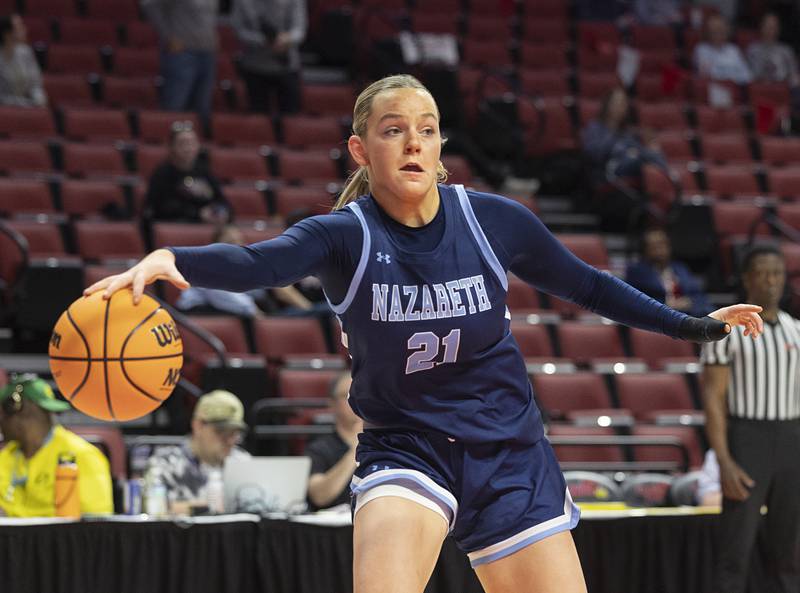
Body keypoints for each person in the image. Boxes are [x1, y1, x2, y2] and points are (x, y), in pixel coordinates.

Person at [86, 74, 763, 593]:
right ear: (361, 147)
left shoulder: (492, 220)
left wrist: (693, 325)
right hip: (408, 446)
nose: (413, 141)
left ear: (440, 148)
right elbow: (259, 261)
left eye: (427, 128)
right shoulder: (342, 236)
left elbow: (587, 284)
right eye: (392, 129)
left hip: (508, 451)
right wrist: (175, 261)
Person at [701, 244, 800, 593]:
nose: (770, 280)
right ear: (747, 279)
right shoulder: (725, 331)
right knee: (735, 551)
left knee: (790, 553)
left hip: (792, 439)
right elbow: (713, 397)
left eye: (777, 273)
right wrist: (724, 461)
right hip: (747, 438)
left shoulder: (796, 330)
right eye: (762, 273)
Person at [0, 376, 113, 517]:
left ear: (20, 409)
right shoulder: (4, 458)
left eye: (1, 413)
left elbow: (97, 523)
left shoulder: (82, 455)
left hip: (59, 538)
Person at [176, 224, 326, 317]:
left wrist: (308, 310)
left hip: (262, 314)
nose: (236, 246)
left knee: (324, 310)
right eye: (230, 242)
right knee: (324, 312)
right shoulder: (207, 265)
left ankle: (312, 312)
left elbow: (275, 286)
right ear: (216, 246)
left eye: (238, 241)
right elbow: (233, 301)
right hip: (203, 315)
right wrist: (261, 319)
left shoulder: (242, 265)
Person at [145, 389, 249, 515]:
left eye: (235, 433)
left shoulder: (243, 463)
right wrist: (209, 507)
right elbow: (155, 509)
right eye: (222, 432)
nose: (230, 441)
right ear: (198, 426)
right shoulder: (165, 463)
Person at [140, 0, 217, 124]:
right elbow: (149, 4)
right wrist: (167, 35)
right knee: (176, 103)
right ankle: (170, 139)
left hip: (207, 51)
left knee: (202, 106)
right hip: (183, 52)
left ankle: (196, 142)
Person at [144, 121, 231, 224]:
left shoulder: (205, 171)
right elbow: (159, 209)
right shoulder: (162, 174)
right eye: (183, 143)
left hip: (206, 228)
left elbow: (222, 201)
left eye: (192, 143)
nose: (188, 148)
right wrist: (197, 214)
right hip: (176, 228)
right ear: (171, 147)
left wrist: (219, 212)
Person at [230, 0, 306, 114]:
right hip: (255, 66)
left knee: (291, 116)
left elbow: (299, 29)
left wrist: (287, 39)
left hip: (286, 66)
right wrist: (263, 41)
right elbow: (239, 30)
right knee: (258, 118)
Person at [625, 227, 713, 317]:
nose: (659, 250)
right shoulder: (637, 271)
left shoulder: (680, 268)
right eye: (654, 246)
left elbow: (697, 294)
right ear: (645, 250)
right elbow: (636, 301)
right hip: (658, 319)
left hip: (688, 316)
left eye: (662, 244)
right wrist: (667, 305)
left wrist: (689, 302)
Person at [305, 372, 362, 511]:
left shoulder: (385, 444)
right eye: (347, 395)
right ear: (332, 404)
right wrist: (355, 450)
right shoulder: (318, 449)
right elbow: (319, 496)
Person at [0, 14, 46, 107]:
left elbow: (35, 84)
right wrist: (25, 104)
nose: (24, 29)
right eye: (19, 26)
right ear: (7, 33)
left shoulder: (26, 52)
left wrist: (39, 99)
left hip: (28, 108)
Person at [693, 13, 753, 84]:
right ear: (708, 32)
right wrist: (730, 76)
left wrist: (730, 80)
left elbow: (747, 75)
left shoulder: (733, 49)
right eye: (715, 30)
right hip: (712, 88)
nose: (718, 33)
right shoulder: (702, 49)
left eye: (721, 30)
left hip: (734, 88)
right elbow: (707, 74)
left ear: (727, 31)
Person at [746, 12, 800, 87]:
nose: (770, 31)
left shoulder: (786, 51)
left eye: (773, 27)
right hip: (759, 90)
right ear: (761, 28)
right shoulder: (752, 50)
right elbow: (747, 76)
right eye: (767, 27)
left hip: (782, 90)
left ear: (778, 29)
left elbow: (794, 76)